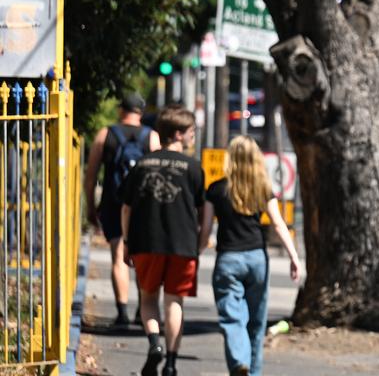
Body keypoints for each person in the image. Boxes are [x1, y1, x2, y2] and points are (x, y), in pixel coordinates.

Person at [202, 136, 302, 376]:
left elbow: (205, 229)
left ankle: (239, 362)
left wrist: (196, 251)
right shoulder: (263, 189)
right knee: (257, 321)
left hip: (228, 258)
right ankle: (253, 372)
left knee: (232, 318)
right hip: (257, 258)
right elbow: (278, 224)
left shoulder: (216, 189)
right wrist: (294, 257)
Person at [120, 106, 206, 376]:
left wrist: (126, 241)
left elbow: (126, 208)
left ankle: (154, 343)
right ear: (178, 134)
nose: (193, 136)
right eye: (191, 131)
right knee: (174, 302)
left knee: (148, 299)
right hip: (183, 244)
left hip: (147, 241)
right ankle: (170, 363)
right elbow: (203, 211)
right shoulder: (194, 168)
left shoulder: (143, 164)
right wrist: (200, 243)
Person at [84, 92, 160, 328]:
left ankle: (122, 313)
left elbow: (91, 176)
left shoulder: (105, 134)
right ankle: (143, 310)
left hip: (114, 202)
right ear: (141, 112)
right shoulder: (152, 137)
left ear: (121, 110)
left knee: (118, 256)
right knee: (142, 258)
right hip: (143, 206)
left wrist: (90, 207)